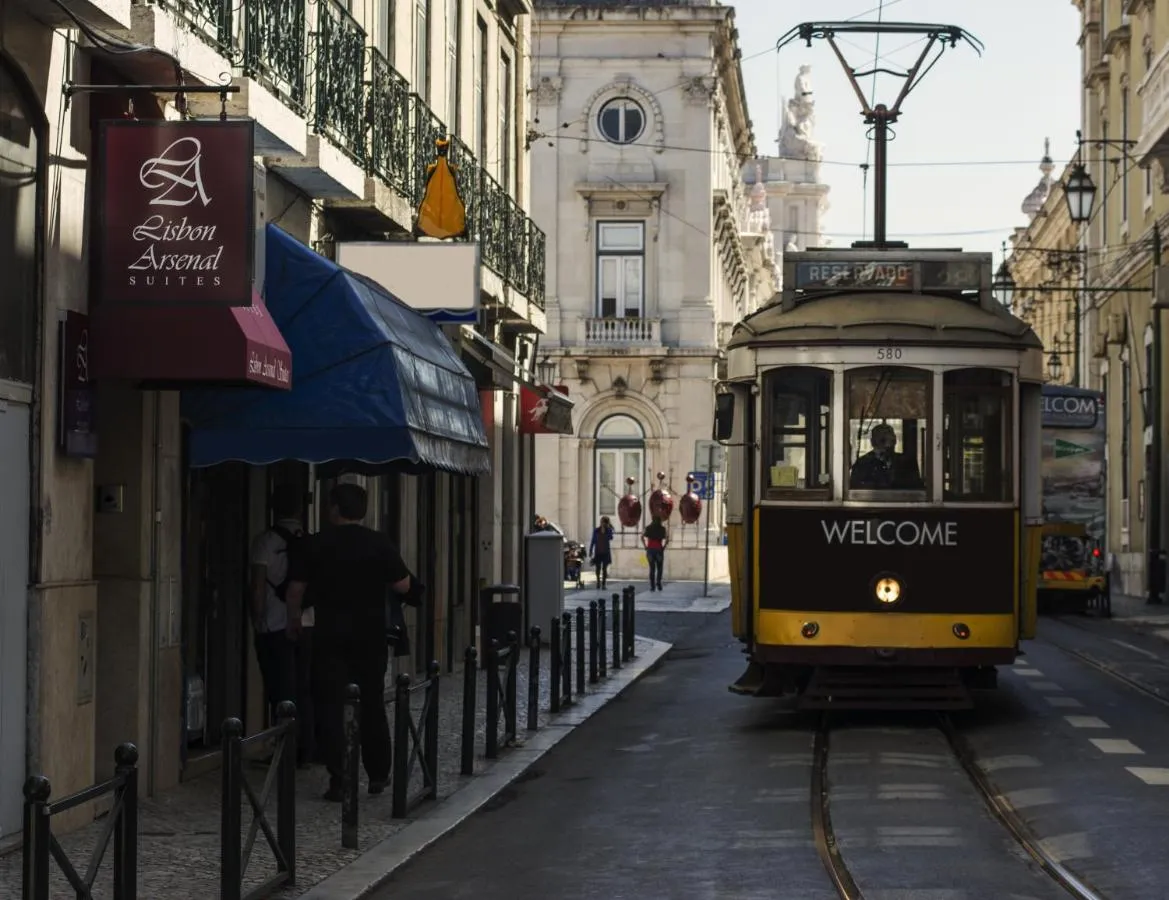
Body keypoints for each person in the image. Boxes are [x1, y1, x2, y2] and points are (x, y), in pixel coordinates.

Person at [284, 483, 418, 801]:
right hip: (369, 637)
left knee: (331, 706)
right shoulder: (378, 543)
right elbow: (403, 584)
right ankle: (378, 773)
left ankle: (340, 777)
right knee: (371, 703)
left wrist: (293, 622)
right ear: (363, 510)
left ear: (333, 509)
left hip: (329, 636)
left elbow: (295, 591)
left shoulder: (316, 544)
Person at [249, 484, 315, 767]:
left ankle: (285, 748)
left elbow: (258, 587)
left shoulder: (265, 541)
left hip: (274, 626)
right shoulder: (310, 541)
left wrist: (258, 618)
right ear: (301, 510)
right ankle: (306, 748)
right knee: (303, 687)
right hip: (307, 622)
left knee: (279, 688)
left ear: (273, 508)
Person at [848, 423, 924, 491]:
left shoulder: (908, 463)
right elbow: (856, 489)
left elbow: (917, 489)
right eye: (882, 440)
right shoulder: (862, 464)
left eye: (891, 439)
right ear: (872, 442)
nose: (887, 444)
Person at [642, 515, 668, 591]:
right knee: (659, 568)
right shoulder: (662, 529)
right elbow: (667, 539)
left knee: (652, 568)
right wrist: (664, 547)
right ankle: (658, 583)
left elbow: (642, 537)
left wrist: (645, 546)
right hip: (659, 550)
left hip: (650, 550)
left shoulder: (648, 528)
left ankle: (652, 586)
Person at [589, 516, 615, 589]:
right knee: (598, 568)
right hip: (598, 552)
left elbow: (611, 537)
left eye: (603, 522)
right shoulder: (596, 530)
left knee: (604, 569)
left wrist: (609, 527)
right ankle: (598, 582)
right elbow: (593, 540)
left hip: (606, 552)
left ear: (606, 523)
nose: (602, 523)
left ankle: (603, 584)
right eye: (601, 521)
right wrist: (591, 550)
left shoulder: (608, 530)